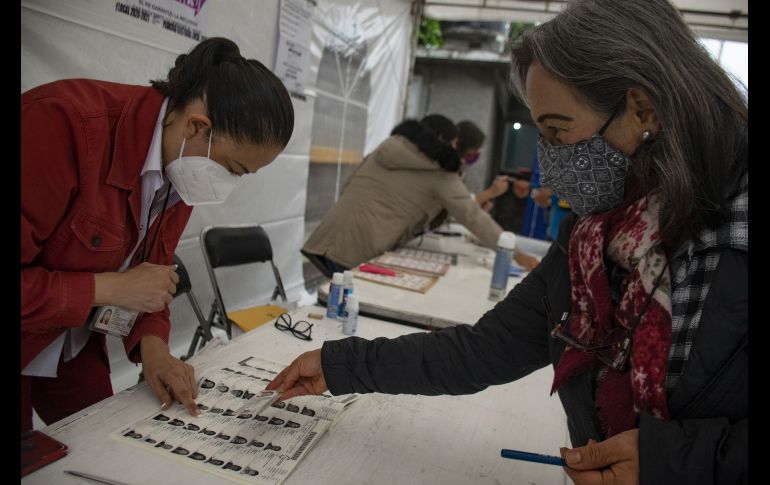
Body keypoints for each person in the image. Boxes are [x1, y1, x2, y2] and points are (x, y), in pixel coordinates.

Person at [270, 0, 748, 483]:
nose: (550, 159)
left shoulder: (734, 231)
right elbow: (482, 349)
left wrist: (681, 462)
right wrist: (342, 365)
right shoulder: (592, 237)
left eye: (558, 132)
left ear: (642, 110)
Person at [21, 37, 294, 432]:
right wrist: (108, 288)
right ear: (198, 127)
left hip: (69, 341)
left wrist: (155, 350)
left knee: (106, 445)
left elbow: (152, 278)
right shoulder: (61, 123)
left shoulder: (185, 162)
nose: (229, 183)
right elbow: (126, 287)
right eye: (234, 169)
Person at [303, 114, 539, 278]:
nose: (456, 150)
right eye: (455, 143)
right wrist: (515, 253)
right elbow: (472, 216)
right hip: (359, 250)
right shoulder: (441, 169)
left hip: (328, 237)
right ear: (443, 141)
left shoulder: (391, 146)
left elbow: (349, 184)